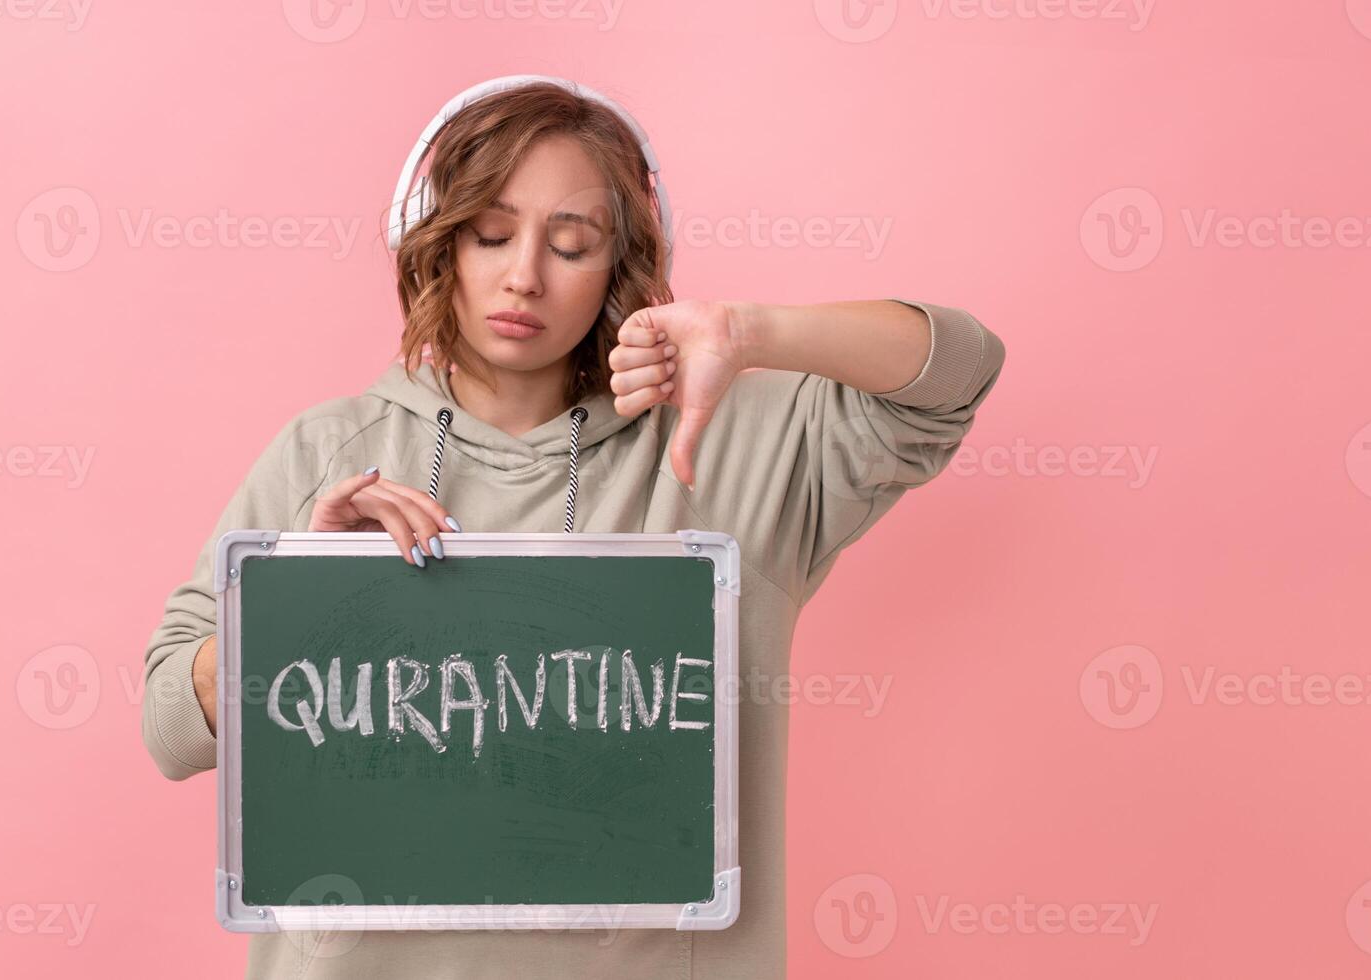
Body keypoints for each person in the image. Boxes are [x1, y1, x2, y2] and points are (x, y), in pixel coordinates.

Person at [141, 78, 1006, 980]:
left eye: (571, 243)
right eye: (489, 234)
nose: (524, 275)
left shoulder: (726, 442)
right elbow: (171, 729)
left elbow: (959, 370)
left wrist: (748, 330)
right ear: (434, 243)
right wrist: (299, 594)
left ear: (619, 264)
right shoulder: (329, 449)